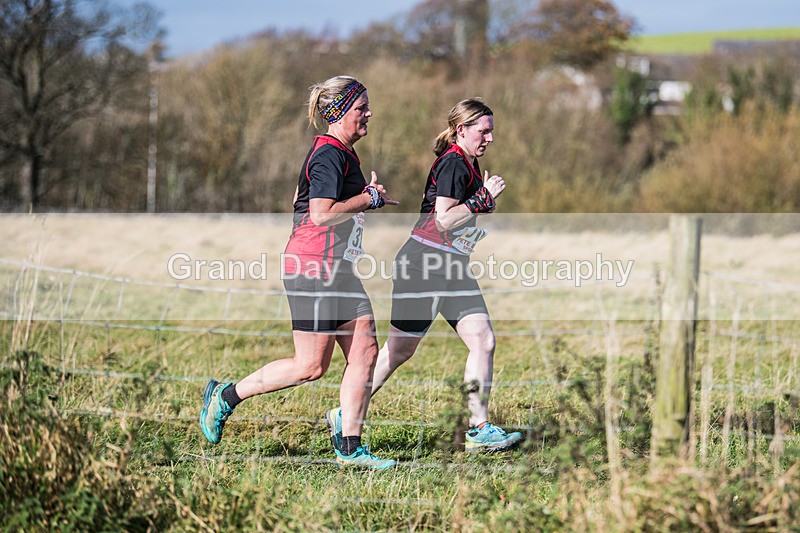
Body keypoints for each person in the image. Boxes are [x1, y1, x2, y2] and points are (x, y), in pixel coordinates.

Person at [200, 75, 399, 470]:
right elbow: (319, 213)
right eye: (362, 108)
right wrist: (367, 198)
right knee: (310, 367)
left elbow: (299, 198)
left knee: (365, 351)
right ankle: (224, 396)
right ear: (339, 113)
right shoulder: (328, 153)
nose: (369, 114)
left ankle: (350, 448)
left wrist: (361, 198)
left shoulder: (340, 153)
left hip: (337, 267)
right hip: (313, 268)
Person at [325, 98, 523, 453]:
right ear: (462, 130)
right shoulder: (452, 163)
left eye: (492, 131)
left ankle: (479, 429)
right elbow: (444, 218)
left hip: (452, 266)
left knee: (483, 339)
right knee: (400, 350)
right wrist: (483, 200)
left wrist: (480, 201)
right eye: (484, 130)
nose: (490, 138)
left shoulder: (469, 163)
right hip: (424, 266)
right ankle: (344, 413)